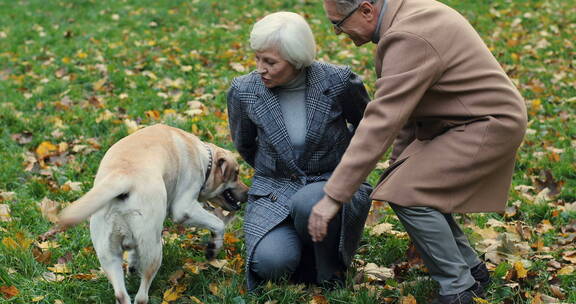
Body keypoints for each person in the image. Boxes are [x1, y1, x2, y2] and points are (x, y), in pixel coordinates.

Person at [308, 0, 527, 303]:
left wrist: (333, 196)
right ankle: (471, 269)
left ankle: (458, 289)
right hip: (461, 122)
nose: (337, 32)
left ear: (367, 10)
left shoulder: (408, 35)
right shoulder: (406, 17)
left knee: (408, 194)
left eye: (338, 23)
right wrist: (398, 168)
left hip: (486, 125)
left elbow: (382, 120)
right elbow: (408, 113)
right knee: (405, 187)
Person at [227, 12, 373, 290]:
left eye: (270, 62)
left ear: (296, 60)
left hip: (331, 182)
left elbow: (369, 129)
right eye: (257, 58)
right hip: (274, 190)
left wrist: (348, 169)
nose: (260, 68)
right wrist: (275, 169)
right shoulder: (244, 90)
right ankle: (304, 252)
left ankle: (330, 272)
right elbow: (245, 145)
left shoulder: (338, 81)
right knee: (270, 263)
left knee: (308, 201)